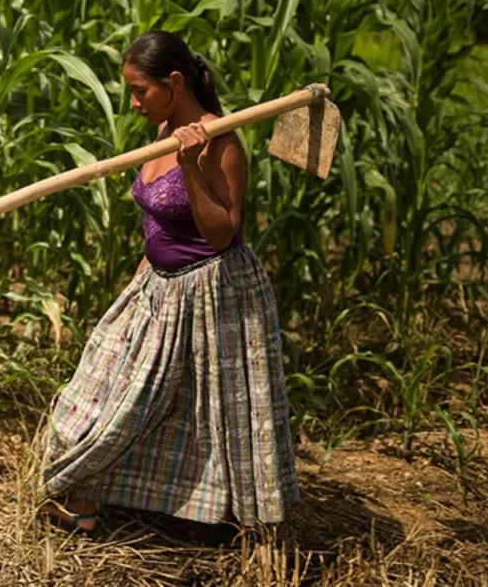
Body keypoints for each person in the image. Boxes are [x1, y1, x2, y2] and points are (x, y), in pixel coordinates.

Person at [38, 29, 299, 535]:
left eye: (141, 91)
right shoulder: (162, 132)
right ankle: (86, 497)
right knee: (102, 391)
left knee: (215, 417)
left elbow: (222, 232)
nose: (133, 103)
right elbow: (155, 218)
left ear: (174, 83)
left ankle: (222, 520)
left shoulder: (221, 143)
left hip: (213, 292)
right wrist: (136, 288)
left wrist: (191, 168)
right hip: (158, 286)